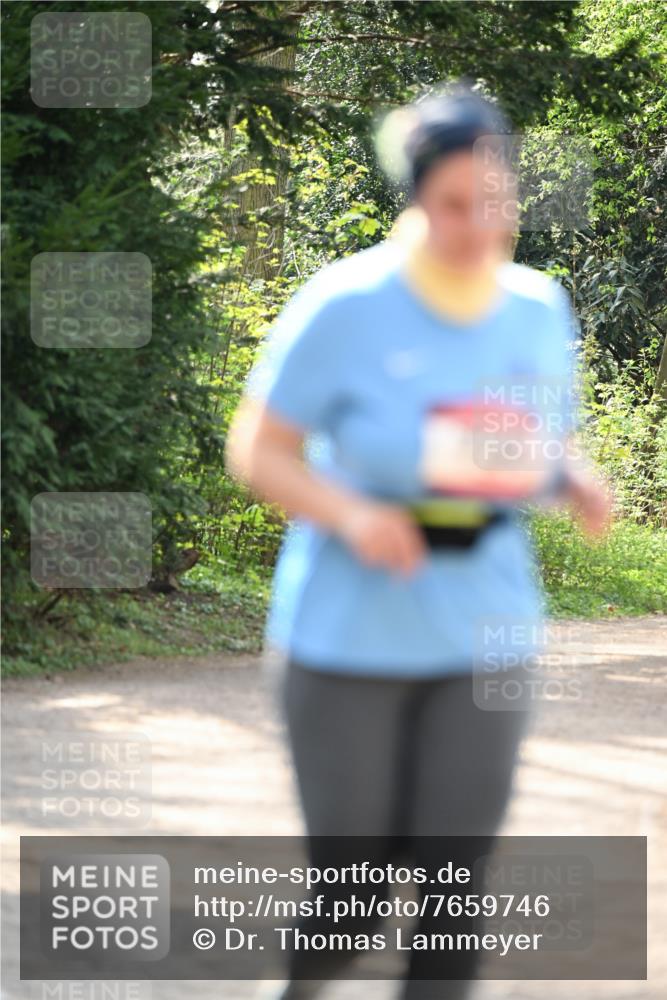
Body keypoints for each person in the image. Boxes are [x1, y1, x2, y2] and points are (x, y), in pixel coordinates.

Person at [225, 79, 612, 1000]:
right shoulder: (347, 304)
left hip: (484, 630)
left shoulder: (535, 307)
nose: (478, 227)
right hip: (346, 636)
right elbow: (257, 448)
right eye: (452, 206)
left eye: (495, 202)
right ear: (414, 198)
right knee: (351, 898)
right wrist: (355, 513)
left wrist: (567, 476)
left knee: (452, 896)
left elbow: (515, 444)